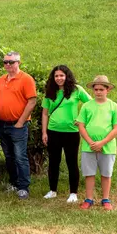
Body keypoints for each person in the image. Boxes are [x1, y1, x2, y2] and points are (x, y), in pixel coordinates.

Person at [42, 65, 91, 203]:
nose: (59, 78)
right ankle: (52, 191)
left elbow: (90, 104)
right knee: (53, 162)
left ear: (67, 76)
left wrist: (82, 120)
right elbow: (45, 113)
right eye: (56, 76)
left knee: (72, 162)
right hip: (53, 131)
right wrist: (44, 132)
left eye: (61, 75)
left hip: (72, 132)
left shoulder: (77, 90)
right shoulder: (50, 91)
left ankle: (73, 193)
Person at [77, 75, 117, 211]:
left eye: (101, 89)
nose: (98, 92)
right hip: (88, 146)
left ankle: (106, 199)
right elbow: (81, 126)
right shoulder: (86, 106)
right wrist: (91, 142)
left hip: (107, 146)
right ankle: (89, 199)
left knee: (106, 173)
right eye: (96, 89)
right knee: (89, 173)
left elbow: (116, 129)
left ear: (107, 90)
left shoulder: (113, 106)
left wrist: (102, 143)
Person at [0, 51, 37, 200]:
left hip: (18, 125)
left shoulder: (26, 79)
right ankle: (13, 182)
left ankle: (23, 187)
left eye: (11, 62)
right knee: (9, 156)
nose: (7, 65)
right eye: (5, 62)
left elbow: (32, 101)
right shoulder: (2, 79)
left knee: (20, 156)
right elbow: (1, 100)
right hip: (2, 124)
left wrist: (21, 122)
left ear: (18, 62)